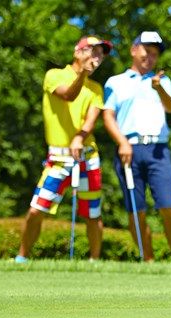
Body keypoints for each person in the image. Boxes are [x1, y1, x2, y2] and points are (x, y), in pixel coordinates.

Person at [15, 35, 112, 263]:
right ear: (77, 52)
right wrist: (82, 74)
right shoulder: (54, 75)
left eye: (101, 54)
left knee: (93, 214)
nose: (97, 58)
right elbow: (68, 95)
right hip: (58, 158)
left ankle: (94, 261)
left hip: (87, 157)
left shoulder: (96, 88)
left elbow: (90, 120)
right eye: (92, 51)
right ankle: (21, 259)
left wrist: (79, 137)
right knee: (36, 210)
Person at [102, 31, 171, 262]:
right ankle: (148, 261)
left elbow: (170, 107)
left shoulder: (162, 81)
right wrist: (122, 142)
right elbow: (108, 116)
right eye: (147, 51)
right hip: (128, 150)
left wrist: (158, 88)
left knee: (168, 206)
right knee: (136, 211)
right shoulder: (115, 82)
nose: (151, 57)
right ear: (133, 50)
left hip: (158, 150)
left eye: (155, 54)